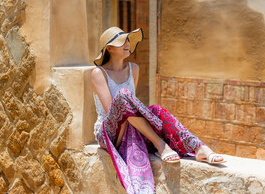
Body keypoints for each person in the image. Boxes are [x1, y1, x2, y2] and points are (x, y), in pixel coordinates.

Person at [91, 27, 225, 193]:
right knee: (123, 96)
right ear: (109, 48)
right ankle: (160, 144)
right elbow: (113, 110)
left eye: (127, 40)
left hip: (131, 128)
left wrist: (146, 119)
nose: (127, 44)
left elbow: (131, 109)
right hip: (109, 134)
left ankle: (199, 147)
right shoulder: (98, 73)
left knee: (155, 109)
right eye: (121, 42)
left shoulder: (134, 69)